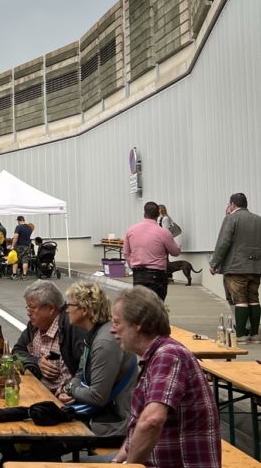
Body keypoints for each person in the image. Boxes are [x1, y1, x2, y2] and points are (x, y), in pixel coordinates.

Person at [107, 286, 220, 467]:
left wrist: (130, 466)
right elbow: (138, 430)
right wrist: (116, 461)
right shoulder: (158, 355)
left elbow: (152, 421)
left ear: (138, 324)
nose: (112, 330)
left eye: (116, 322)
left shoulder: (168, 355)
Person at [58, 283, 136, 440]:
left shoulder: (104, 342)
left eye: (70, 305)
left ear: (85, 310)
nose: (66, 310)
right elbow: (80, 373)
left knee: (50, 432)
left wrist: (70, 389)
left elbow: (97, 397)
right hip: (101, 414)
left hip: (113, 423)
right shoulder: (95, 333)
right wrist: (71, 387)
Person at [12, 280, 86, 394]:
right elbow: (17, 351)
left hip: (63, 399)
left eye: (32, 308)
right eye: (27, 308)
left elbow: (87, 369)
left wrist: (70, 391)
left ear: (50, 309)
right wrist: (37, 362)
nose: (28, 313)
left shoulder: (72, 327)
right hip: (38, 391)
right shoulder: (34, 326)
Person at [209, 193, 261, 343]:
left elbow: (224, 243)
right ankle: (255, 335)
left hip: (236, 266)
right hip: (256, 267)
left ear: (232, 204)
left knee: (240, 300)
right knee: (254, 298)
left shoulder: (231, 218)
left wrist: (214, 263)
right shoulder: (258, 219)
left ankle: (241, 336)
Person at [123, 201, 181, 301]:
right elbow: (175, 252)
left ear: (144, 214)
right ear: (158, 214)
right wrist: (178, 246)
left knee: (140, 306)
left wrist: (133, 267)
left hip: (138, 274)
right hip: (157, 275)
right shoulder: (163, 232)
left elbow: (126, 253)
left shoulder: (131, 230)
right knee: (156, 307)